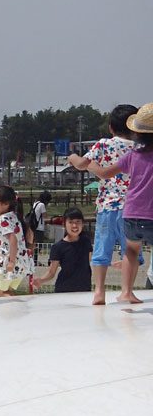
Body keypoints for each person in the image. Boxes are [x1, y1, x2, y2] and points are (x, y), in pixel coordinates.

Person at [67, 104, 140, 304]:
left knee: (102, 248)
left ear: (111, 127)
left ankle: (99, 291)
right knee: (131, 250)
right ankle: (128, 291)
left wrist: (72, 157)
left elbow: (82, 164)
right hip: (133, 207)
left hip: (107, 205)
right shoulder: (140, 148)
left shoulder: (104, 144)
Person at [88, 103, 153, 304]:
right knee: (132, 250)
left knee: (123, 250)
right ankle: (129, 291)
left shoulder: (131, 155)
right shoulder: (132, 150)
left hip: (127, 212)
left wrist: (91, 165)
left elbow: (105, 172)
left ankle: (105, 291)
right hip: (149, 212)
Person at [0, 185, 34, 297]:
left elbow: (12, 239)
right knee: (6, 292)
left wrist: (11, 261)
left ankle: (17, 309)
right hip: (22, 264)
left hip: (9, 262)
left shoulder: (4, 218)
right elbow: (29, 237)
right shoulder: (15, 216)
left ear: (6, 203)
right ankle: (15, 312)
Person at [33, 208, 92, 293]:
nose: (74, 225)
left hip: (85, 289)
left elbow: (88, 261)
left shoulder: (86, 241)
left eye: (78, 222)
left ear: (82, 224)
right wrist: (41, 280)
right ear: (64, 224)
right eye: (71, 222)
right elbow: (51, 272)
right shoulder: (58, 247)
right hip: (64, 289)